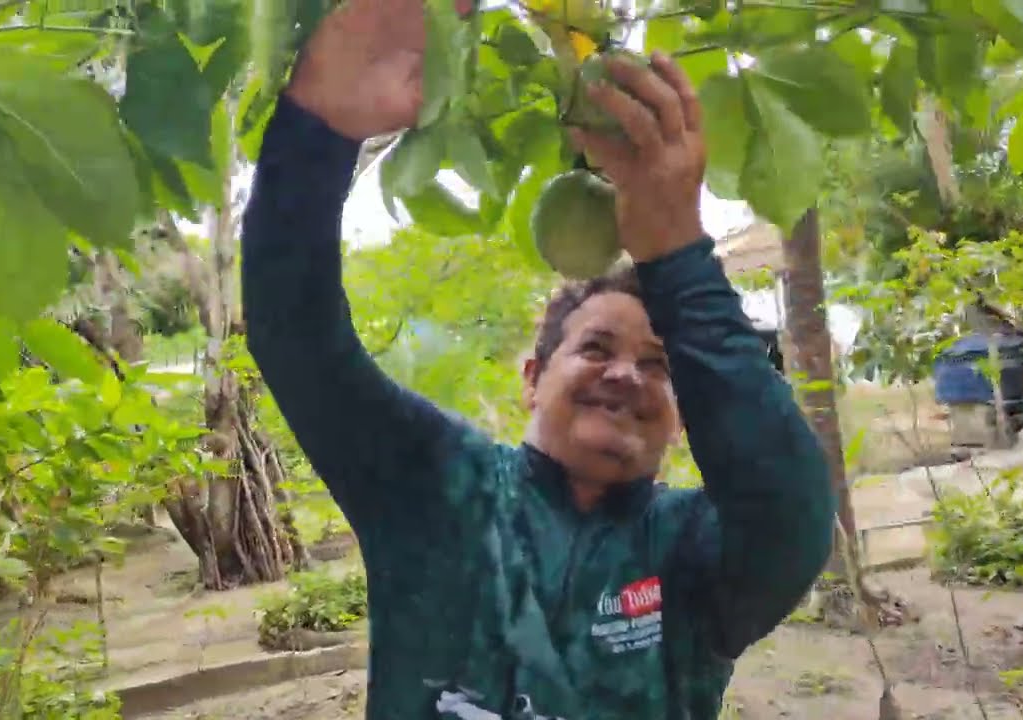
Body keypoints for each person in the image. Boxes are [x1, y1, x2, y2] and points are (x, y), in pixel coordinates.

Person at [240, 0, 835, 716]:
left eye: (658, 366)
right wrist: (318, 130)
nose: (626, 375)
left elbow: (790, 512)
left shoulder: (690, 549)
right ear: (532, 377)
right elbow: (297, 334)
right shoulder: (437, 486)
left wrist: (678, 253)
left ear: (686, 414)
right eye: (596, 348)